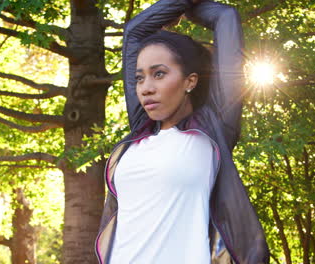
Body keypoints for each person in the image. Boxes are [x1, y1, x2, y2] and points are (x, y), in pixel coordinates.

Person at [95, 0, 269, 263]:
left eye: (160, 74)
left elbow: (226, 18)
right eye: (140, 77)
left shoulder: (214, 127)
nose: (145, 88)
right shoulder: (141, 131)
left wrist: (185, 9)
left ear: (190, 81)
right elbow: (134, 32)